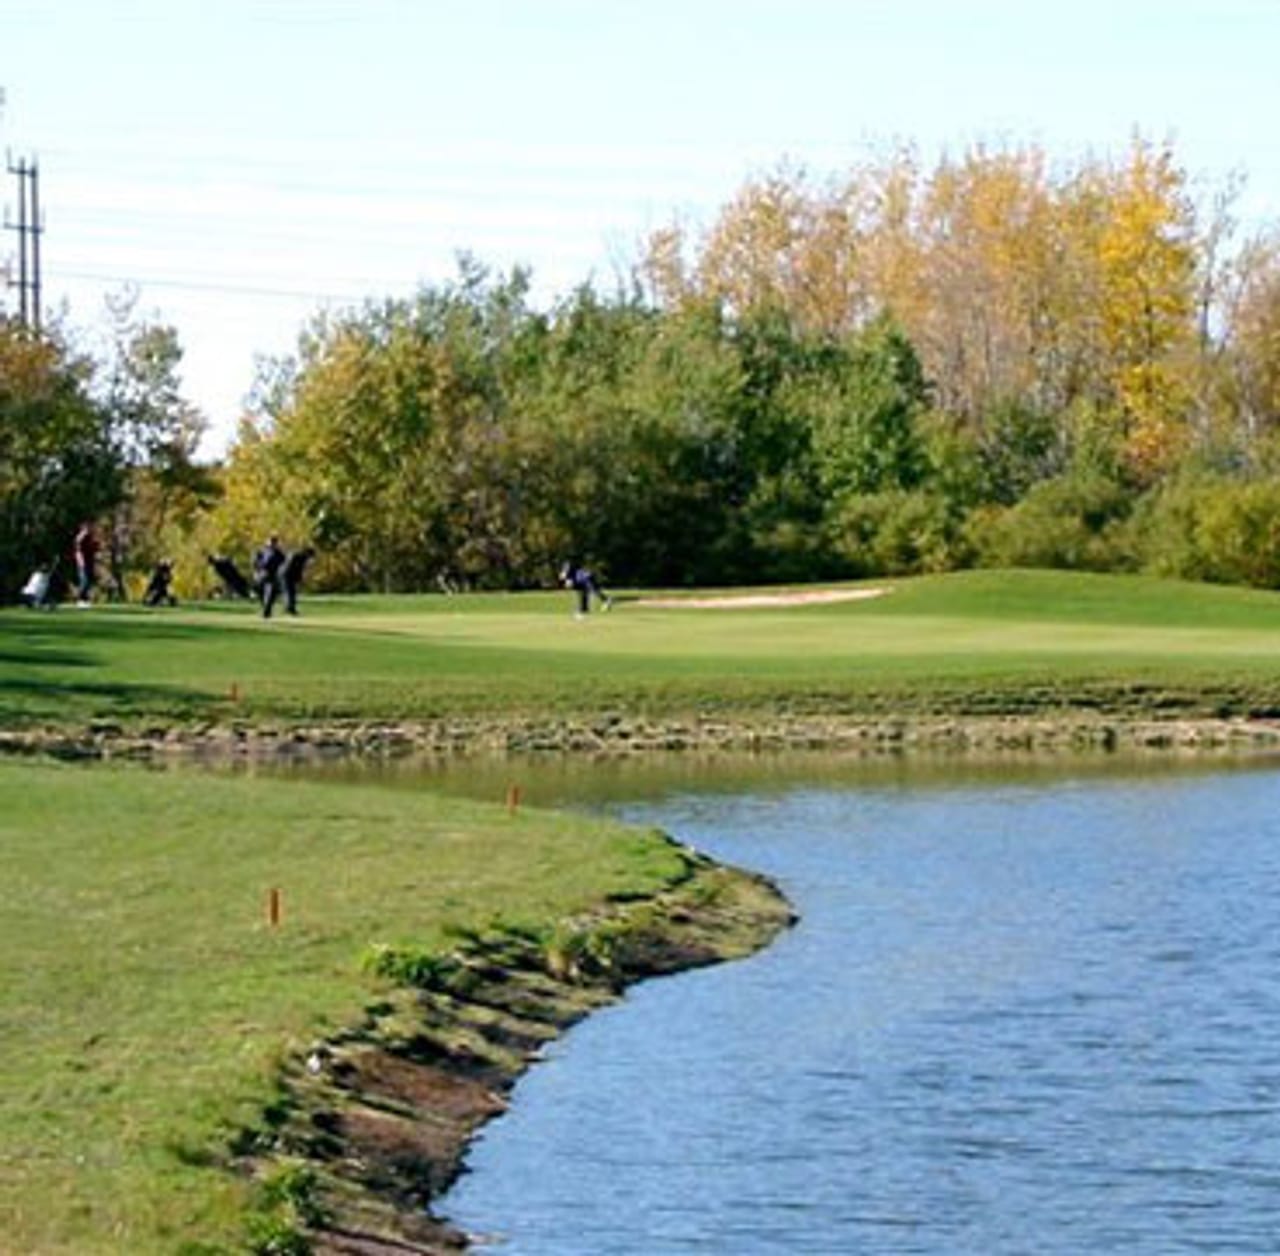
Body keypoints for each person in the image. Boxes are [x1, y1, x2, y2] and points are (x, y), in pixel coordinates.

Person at [253, 535, 286, 619]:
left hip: (272, 575)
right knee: (262, 593)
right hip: (263, 574)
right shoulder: (261, 551)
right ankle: (266, 610)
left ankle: (266, 611)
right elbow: (255, 562)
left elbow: (284, 563)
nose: (272, 544)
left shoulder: (279, 553)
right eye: (271, 542)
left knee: (270, 594)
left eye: (274, 542)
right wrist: (257, 571)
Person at [281, 546, 315, 615]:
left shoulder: (299, 555)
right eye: (311, 557)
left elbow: (299, 569)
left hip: (286, 574)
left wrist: (299, 579)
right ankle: (290, 609)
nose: (311, 559)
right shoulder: (300, 557)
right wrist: (299, 579)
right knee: (290, 593)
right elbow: (296, 569)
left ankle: (288, 608)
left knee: (290, 592)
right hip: (287, 575)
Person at [73, 521, 98, 606]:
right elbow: (78, 551)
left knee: (89, 580)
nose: (90, 529)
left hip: (89, 561)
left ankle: (85, 600)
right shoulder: (80, 538)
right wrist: (81, 561)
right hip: (83, 561)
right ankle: (80, 600)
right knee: (84, 580)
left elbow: (93, 549)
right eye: (88, 527)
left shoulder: (89, 537)